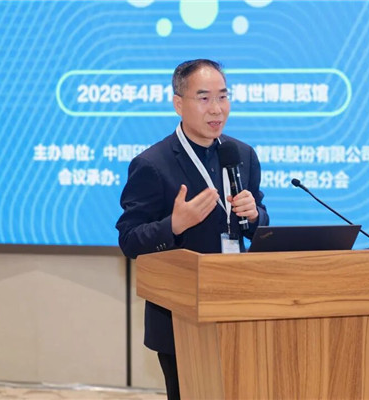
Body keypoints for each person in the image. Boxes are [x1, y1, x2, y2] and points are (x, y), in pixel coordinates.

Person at [116, 59, 269, 400]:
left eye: (223, 97)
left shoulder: (242, 154)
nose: (217, 109)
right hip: (179, 316)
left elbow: (258, 226)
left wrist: (255, 216)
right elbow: (129, 240)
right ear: (178, 103)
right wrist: (174, 225)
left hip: (238, 306)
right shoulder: (152, 164)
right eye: (204, 98)